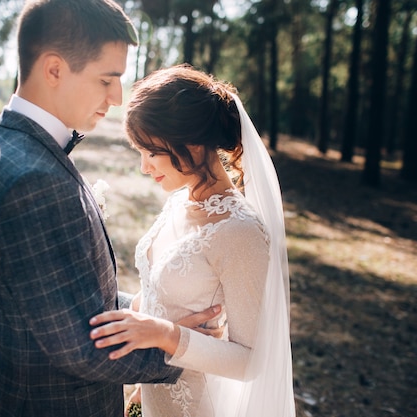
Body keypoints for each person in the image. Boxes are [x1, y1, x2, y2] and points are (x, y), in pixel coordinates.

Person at [0, 2, 219, 416]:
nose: (118, 97)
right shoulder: (28, 177)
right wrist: (179, 348)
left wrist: (146, 310)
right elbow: (79, 348)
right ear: (54, 70)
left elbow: (58, 295)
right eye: (107, 79)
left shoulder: (24, 146)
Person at [89, 65, 296, 417]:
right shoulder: (178, 203)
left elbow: (252, 362)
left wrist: (164, 334)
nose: (143, 166)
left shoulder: (241, 232)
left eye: (151, 152)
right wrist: (140, 388)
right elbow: (158, 294)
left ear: (193, 143)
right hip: (153, 397)